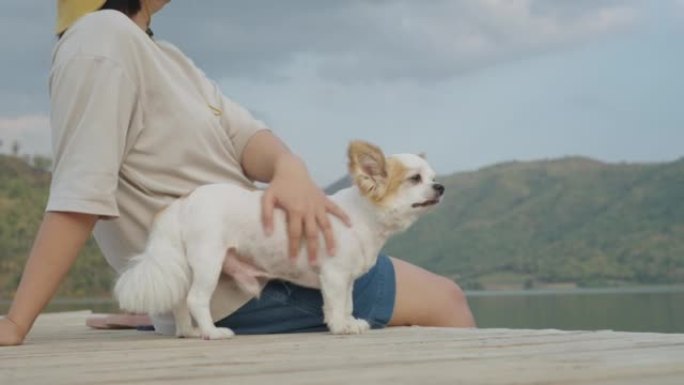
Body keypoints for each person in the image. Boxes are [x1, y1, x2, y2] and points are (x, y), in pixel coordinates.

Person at [0, 0, 475, 346]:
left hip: (243, 268)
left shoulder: (164, 56)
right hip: (255, 282)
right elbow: (80, 194)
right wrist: (17, 322)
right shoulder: (101, 40)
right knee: (446, 300)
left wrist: (289, 167)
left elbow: (246, 137)